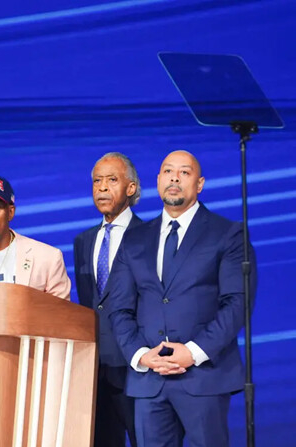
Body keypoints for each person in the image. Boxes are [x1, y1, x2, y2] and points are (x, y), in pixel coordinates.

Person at [108, 150, 254, 447]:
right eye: (168, 171)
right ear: (158, 180)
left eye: (184, 172)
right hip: (149, 380)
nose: (174, 177)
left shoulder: (227, 234)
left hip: (204, 377)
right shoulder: (134, 239)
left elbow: (237, 303)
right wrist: (140, 355)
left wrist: (193, 351)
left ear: (199, 184)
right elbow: (119, 307)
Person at [73, 152, 140, 447]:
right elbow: (91, 302)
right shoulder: (83, 241)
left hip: (136, 367)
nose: (102, 188)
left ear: (131, 188)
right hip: (94, 371)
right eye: (97, 181)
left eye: (112, 180)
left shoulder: (148, 236)